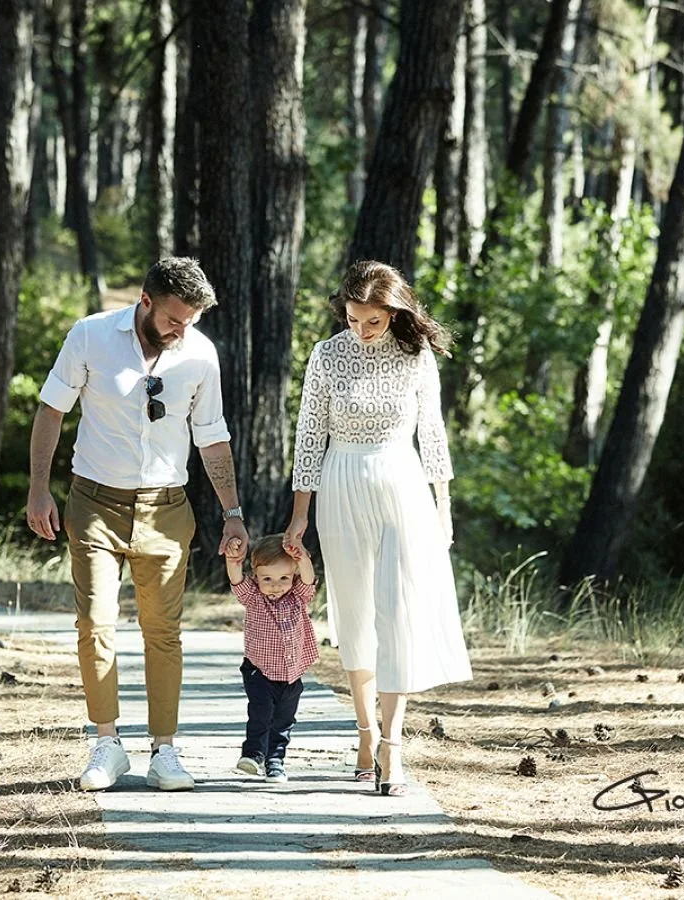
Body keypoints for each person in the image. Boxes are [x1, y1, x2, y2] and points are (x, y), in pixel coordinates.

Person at [26, 257, 249, 793]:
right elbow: (52, 410)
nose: (181, 330)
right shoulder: (91, 336)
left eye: (191, 321)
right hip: (94, 503)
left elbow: (211, 436)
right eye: (173, 319)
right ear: (146, 301)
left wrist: (233, 513)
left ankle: (164, 750)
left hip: (166, 509)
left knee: (163, 632)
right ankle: (106, 744)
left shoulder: (200, 354)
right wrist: (39, 488)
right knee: (95, 623)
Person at [284, 260, 472, 797]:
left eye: (373, 321)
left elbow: (432, 433)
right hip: (341, 484)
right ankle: (364, 734)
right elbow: (309, 435)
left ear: (393, 313)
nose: (362, 330)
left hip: (403, 486)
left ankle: (392, 745)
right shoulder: (326, 356)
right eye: (352, 319)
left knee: (398, 613)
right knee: (356, 615)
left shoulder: (415, 356)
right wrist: (299, 514)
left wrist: (443, 504)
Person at [224, 533, 318, 784]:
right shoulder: (253, 597)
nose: (276, 585)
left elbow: (308, 578)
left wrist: (302, 557)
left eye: (284, 578)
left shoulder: (299, 595)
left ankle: (275, 761)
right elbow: (236, 577)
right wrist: (233, 559)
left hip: (291, 674)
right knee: (261, 713)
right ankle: (253, 754)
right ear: (255, 576)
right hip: (259, 671)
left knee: (284, 721)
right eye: (267, 579)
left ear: (293, 575)